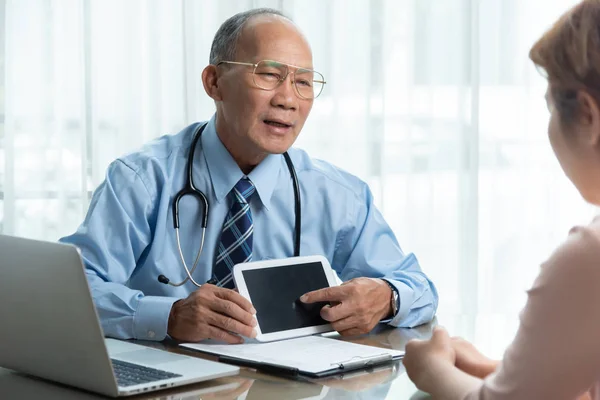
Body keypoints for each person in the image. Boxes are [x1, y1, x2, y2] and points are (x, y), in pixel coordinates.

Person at [60, 8, 438, 344]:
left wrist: (387, 296)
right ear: (214, 83)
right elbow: (68, 291)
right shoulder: (141, 179)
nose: (288, 99)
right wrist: (168, 316)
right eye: (270, 74)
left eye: (304, 82)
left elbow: (420, 288)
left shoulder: (338, 195)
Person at [403, 1, 600, 399]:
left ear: (588, 116)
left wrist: (431, 369)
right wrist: (503, 369)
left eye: (549, 106)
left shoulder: (590, 255)